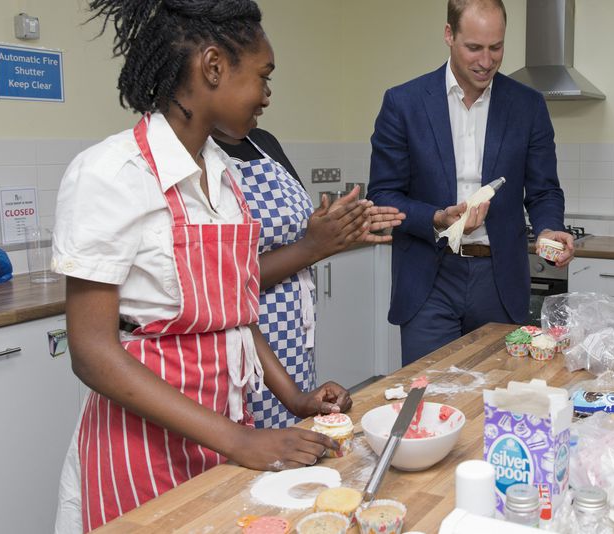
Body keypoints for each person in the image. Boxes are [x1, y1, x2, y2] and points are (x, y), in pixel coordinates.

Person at [53, 1, 351, 531]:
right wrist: (240, 438)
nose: (266, 95)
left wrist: (296, 399)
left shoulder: (223, 174)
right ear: (213, 66)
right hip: (145, 448)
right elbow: (92, 352)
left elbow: (233, 313)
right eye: (262, 76)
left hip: (225, 431)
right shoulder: (112, 173)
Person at [368, 0, 574, 365]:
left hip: (499, 280)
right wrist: (435, 217)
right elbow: (383, 196)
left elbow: (543, 190)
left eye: (496, 47)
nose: (486, 60)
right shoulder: (404, 103)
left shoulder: (527, 106)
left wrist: (550, 228)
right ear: (449, 35)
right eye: (474, 47)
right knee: (429, 396)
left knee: (499, 395)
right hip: (428, 279)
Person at [213, 128, 404, 429]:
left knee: (294, 432)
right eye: (259, 80)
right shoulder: (198, 158)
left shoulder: (263, 142)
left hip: (293, 329)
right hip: (245, 332)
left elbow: (299, 230)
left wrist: (339, 227)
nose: (266, 95)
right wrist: (312, 247)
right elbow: (218, 283)